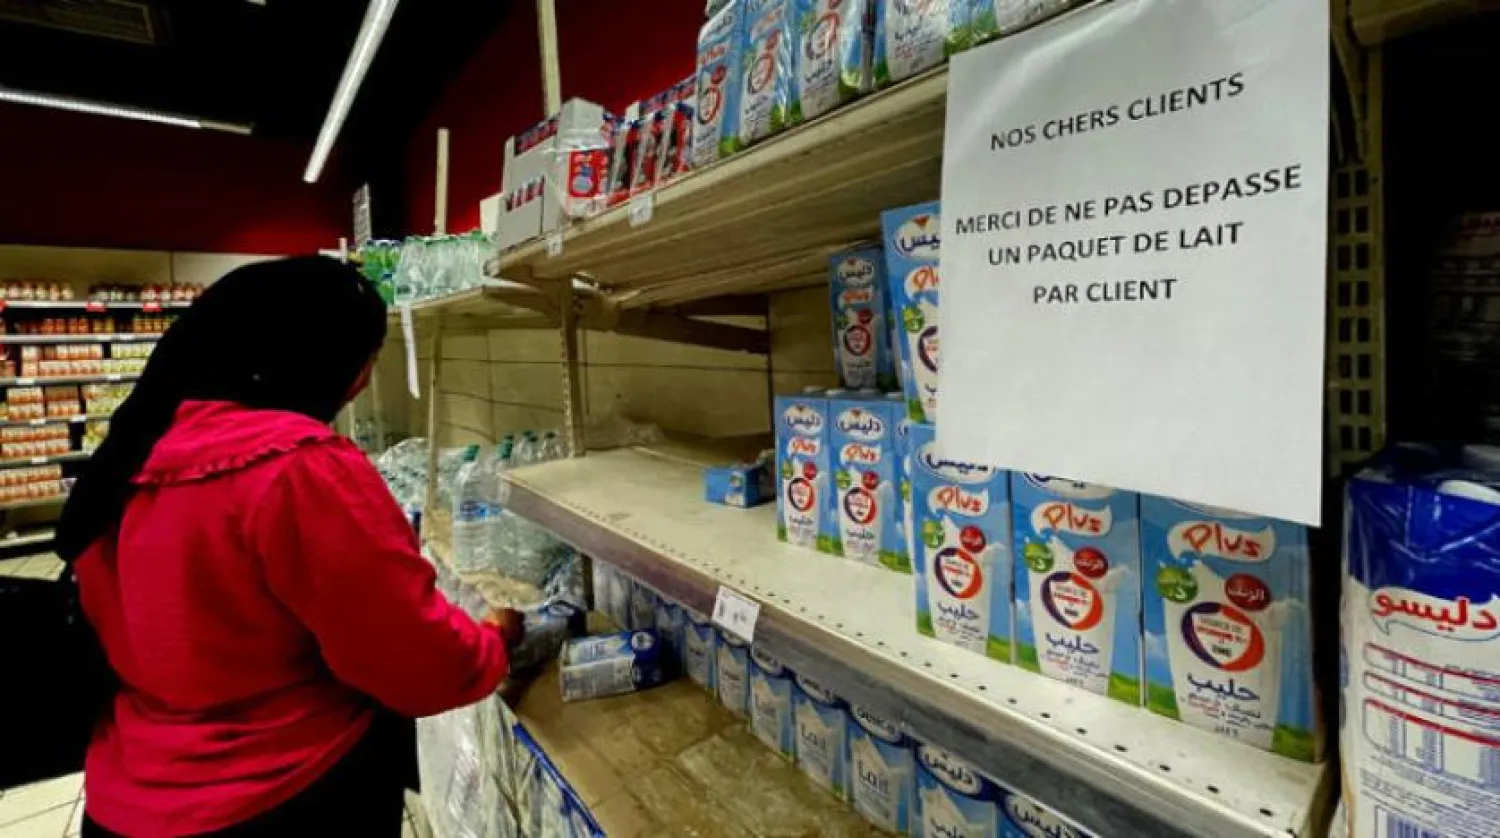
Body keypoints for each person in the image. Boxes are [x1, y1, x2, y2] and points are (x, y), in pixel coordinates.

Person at [56, 257, 520, 837]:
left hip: (127, 795)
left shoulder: (133, 453)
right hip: (285, 795)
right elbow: (412, 660)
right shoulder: (299, 467)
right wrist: (493, 641)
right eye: (366, 358)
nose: (362, 381)